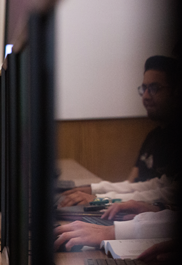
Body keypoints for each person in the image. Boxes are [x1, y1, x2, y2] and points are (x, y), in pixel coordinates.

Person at [60, 55, 180, 207]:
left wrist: (100, 199)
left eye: (155, 88)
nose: (146, 96)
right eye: (144, 89)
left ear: (177, 92)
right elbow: (141, 184)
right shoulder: (153, 137)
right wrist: (93, 189)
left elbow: (167, 197)